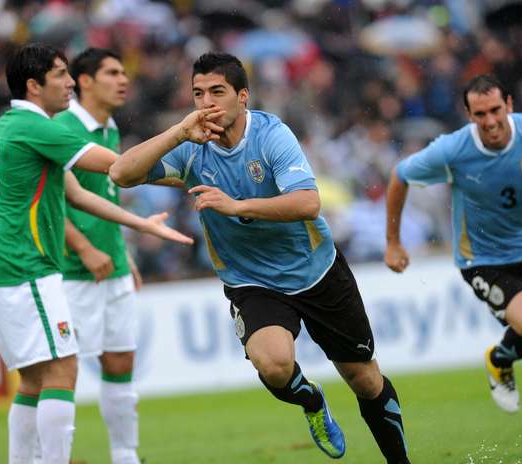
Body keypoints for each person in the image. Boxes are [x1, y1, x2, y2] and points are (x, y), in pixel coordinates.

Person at [110, 52, 411, 463]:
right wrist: (178, 133)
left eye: (218, 91)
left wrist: (237, 206)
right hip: (252, 281)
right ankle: (312, 402)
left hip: (316, 271)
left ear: (243, 96)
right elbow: (120, 174)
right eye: (198, 93)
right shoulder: (192, 146)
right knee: (273, 365)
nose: (206, 102)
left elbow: (308, 203)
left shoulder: (272, 135)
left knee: (364, 379)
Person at [0, 43, 196, 464]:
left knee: (36, 380)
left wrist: (140, 225)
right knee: (62, 371)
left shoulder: (12, 126)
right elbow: (121, 167)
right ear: (34, 85)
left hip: (5, 267)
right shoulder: (39, 127)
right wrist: (183, 145)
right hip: (25, 267)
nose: (70, 82)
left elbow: (74, 193)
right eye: (60, 74)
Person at [384, 74, 522, 427]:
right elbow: (400, 176)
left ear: (509, 106)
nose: (490, 121)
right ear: (469, 115)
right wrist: (393, 242)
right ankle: (500, 359)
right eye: (480, 114)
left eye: (496, 110)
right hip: (484, 261)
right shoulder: (453, 150)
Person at [53, 48, 140, 464]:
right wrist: (84, 247)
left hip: (115, 266)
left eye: (123, 71)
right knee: (58, 373)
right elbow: (50, 202)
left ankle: (125, 456)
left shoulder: (109, 129)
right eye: (112, 72)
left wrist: (125, 254)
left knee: (121, 359)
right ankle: (49, 456)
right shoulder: (62, 127)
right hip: (71, 269)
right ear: (84, 81)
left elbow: (108, 196)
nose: (122, 79)